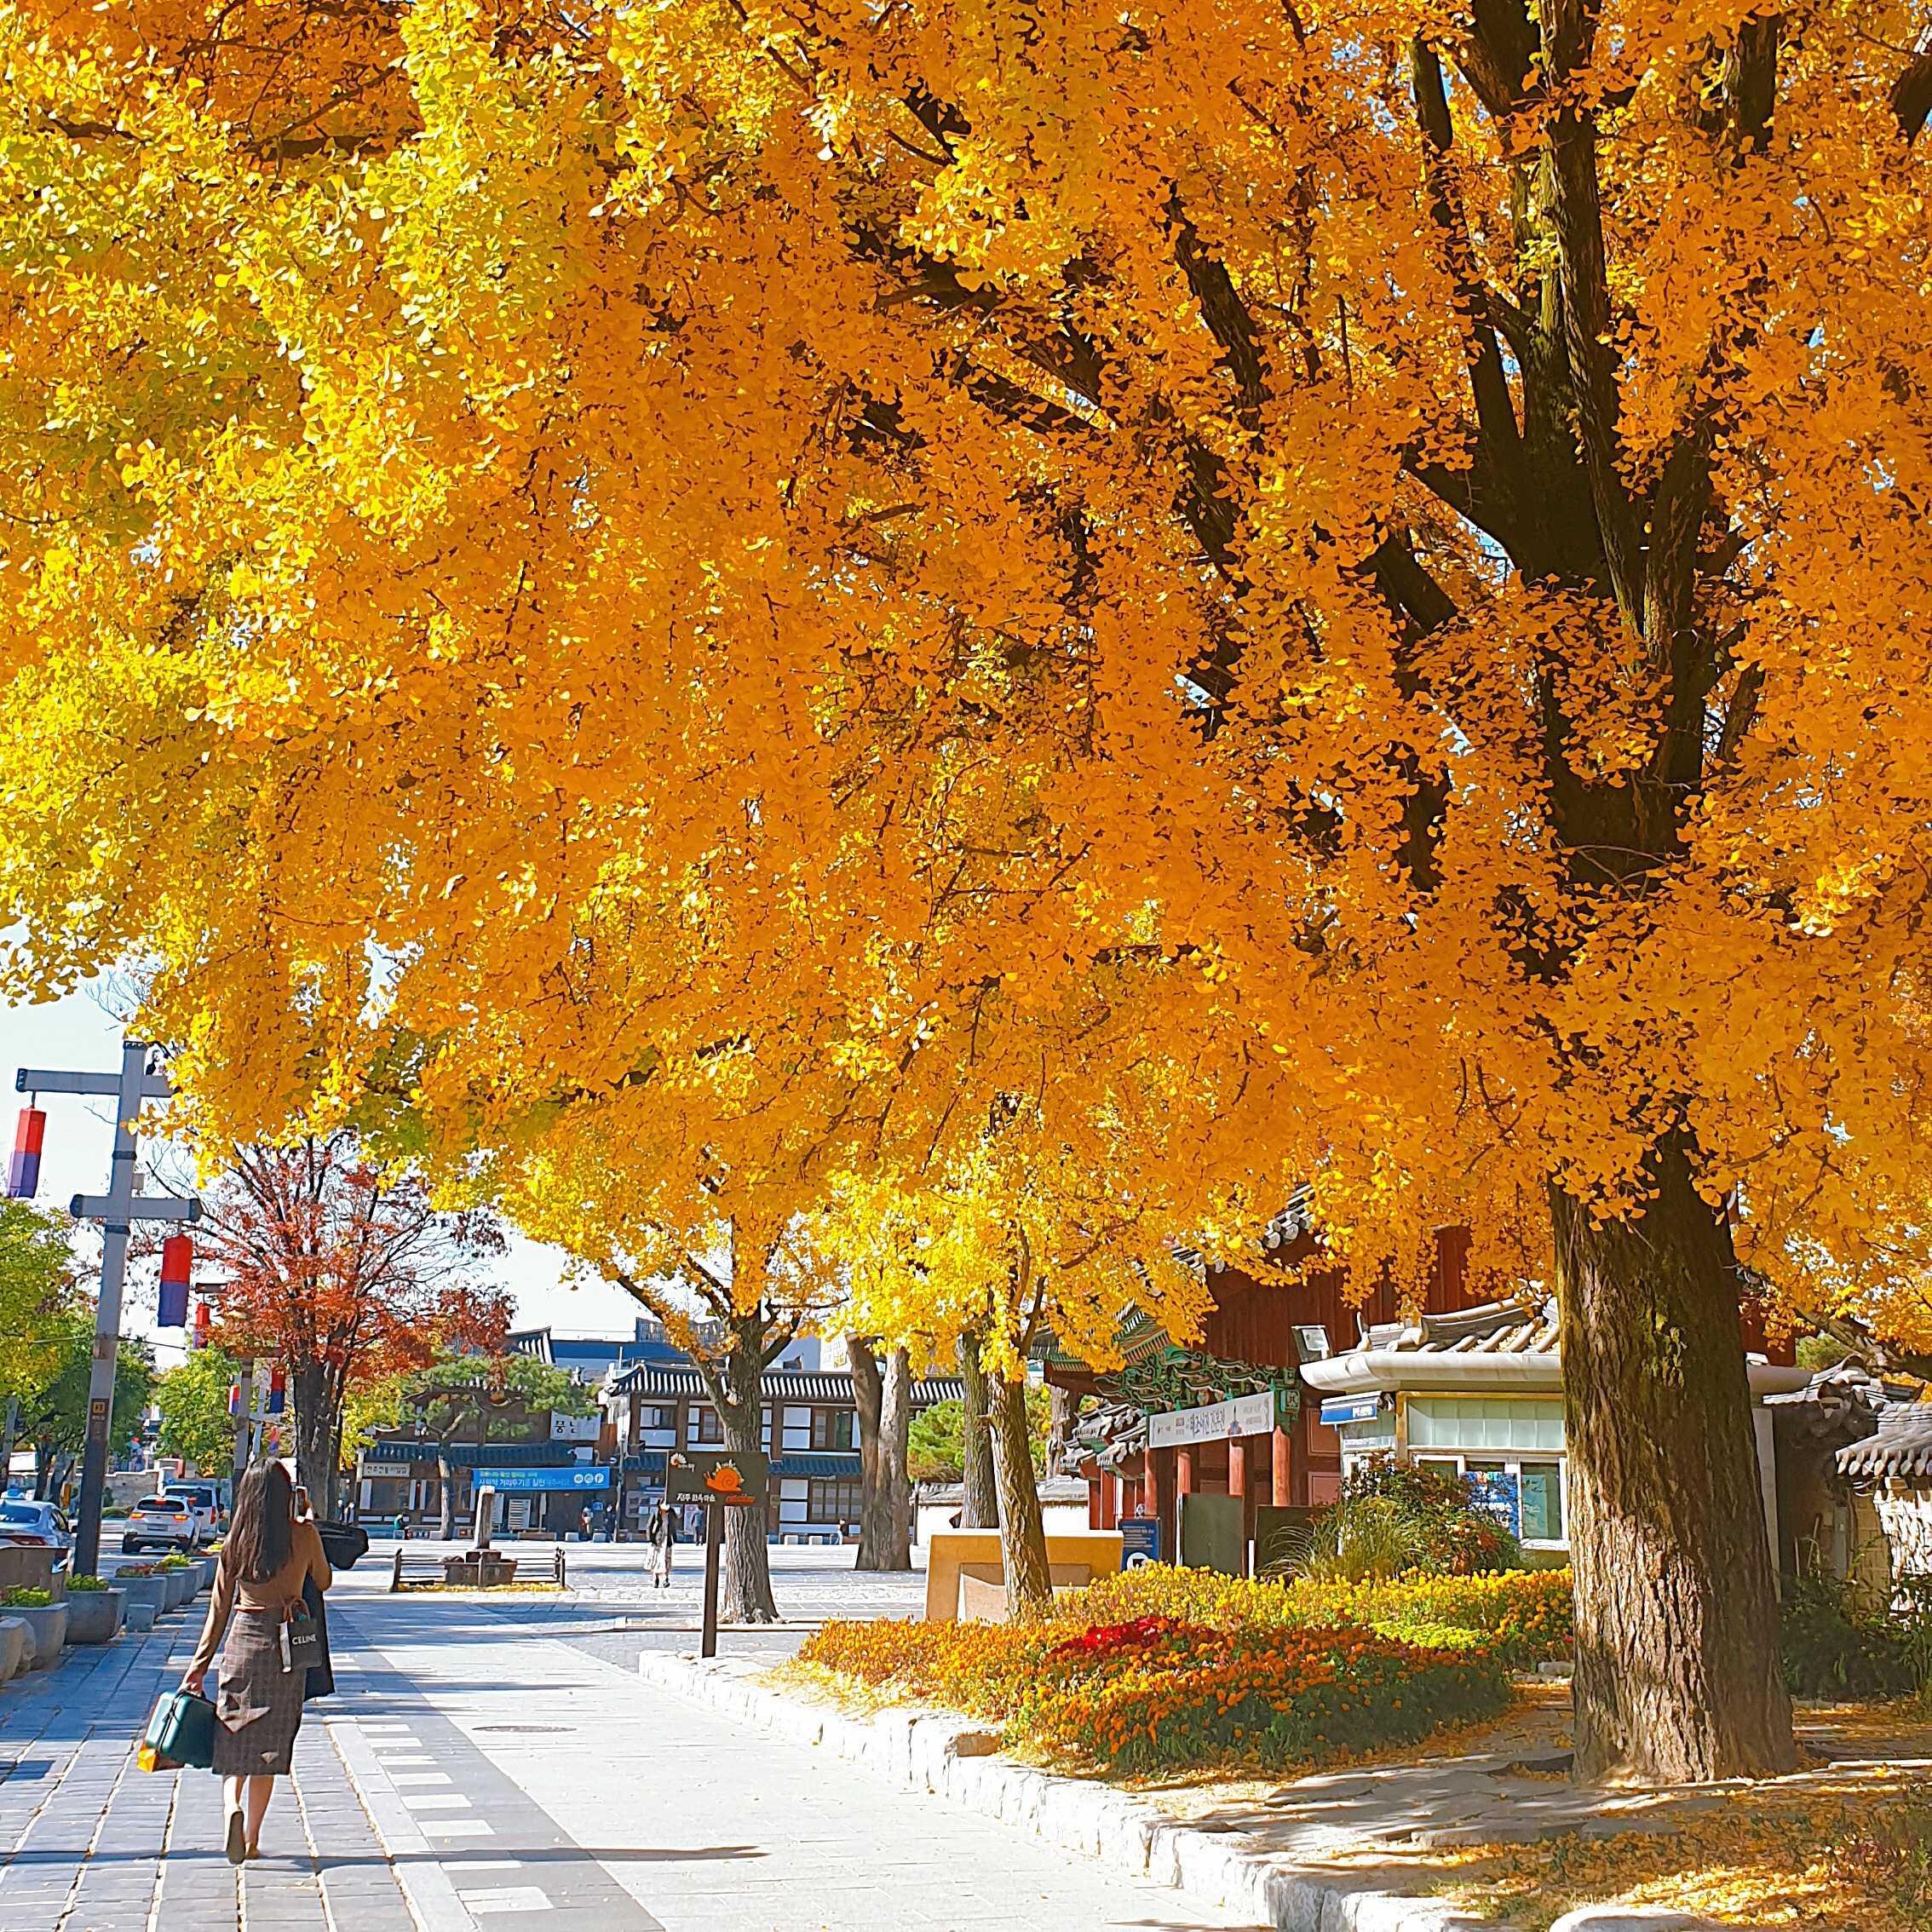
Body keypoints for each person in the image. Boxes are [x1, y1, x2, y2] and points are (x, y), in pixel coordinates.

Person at [183, 1459, 333, 1866]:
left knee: (233, 1736)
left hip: (242, 1643)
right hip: (285, 1648)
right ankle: (251, 1840)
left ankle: (232, 1805)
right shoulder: (302, 1535)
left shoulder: (236, 1542)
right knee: (269, 1747)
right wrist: (310, 1529)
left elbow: (217, 1610)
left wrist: (198, 1666)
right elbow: (322, 1581)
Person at [647, 1500, 675, 1589]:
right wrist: (650, 1539)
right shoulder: (656, 1514)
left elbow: (674, 1524)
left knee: (667, 1560)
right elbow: (649, 1526)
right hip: (658, 1541)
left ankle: (666, 1579)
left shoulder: (671, 1513)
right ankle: (656, 1579)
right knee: (657, 1560)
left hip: (668, 1540)